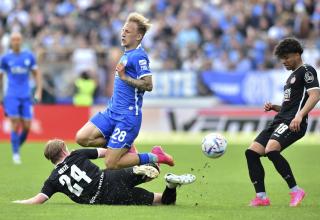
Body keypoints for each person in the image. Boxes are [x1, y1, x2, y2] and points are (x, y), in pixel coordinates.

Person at [75, 12, 174, 169]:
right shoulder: (126, 54)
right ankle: (124, 146)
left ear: (139, 36)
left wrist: (125, 77)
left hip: (127, 117)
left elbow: (148, 85)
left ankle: (155, 157)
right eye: (123, 30)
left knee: (111, 163)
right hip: (111, 111)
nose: (123, 34)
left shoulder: (139, 57)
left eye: (127, 32)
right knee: (82, 138)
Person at [245, 38, 320, 207]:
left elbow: (315, 95)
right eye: (282, 58)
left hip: (294, 122)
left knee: (271, 149)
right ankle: (262, 197)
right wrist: (275, 107)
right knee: (251, 152)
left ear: (297, 54)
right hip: (280, 120)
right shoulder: (291, 77)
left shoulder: (306, 70)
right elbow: (290, 105)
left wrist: (299, 116)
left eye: (286, 57)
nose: (284, 62)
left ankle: (296, 191)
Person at [12, 139, 195, 205]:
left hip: (107, 199)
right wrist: (129, 148)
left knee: (161, 201)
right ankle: (153, 162)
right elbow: (108, 153)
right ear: (63, 149)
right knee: (151, 169)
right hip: (109, 178)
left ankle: (170, 185)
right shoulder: (76, 155)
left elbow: (38, 200)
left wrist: (18, 202)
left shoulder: (52, 180)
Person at [0, 32, 42, 164]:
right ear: (11, 42)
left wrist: (38, 91)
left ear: (21, 41)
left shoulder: (28, 56)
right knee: (15, 122)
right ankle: (16, 153)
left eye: (18, 39)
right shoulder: (5, 58)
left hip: (25, 95)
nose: (16, 42)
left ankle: (17, 146)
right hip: (11, 94)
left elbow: (36, 74)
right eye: (14, 40)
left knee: (27, 126)